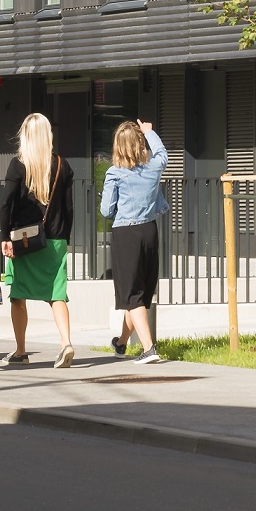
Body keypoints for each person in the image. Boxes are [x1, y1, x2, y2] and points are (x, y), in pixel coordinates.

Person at [0, 112, 76, 369]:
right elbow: (69, 208)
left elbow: (6, 204)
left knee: (18, 296)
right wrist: (65, 238)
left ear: (25, 136)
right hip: (56, 239)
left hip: (25, 241)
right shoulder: (62, 165)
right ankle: (66, 343)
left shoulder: (18, 165)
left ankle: (21, 350)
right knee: (57, 295)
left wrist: (4, 236)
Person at [101, 118, 168, 363]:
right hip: (149, 231)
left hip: (126, 234)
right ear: (140, 144)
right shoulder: (153, 167)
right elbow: (162, 154)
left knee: (131, 294)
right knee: (139, 294)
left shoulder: (115, 173)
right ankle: (121, 343)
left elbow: (106, 210)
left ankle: (149, 348)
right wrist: (150, 132)